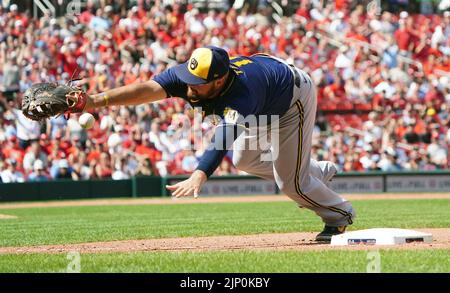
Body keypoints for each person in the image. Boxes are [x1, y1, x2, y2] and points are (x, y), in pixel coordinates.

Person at [81, 46, 355, 242]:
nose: (189, 88)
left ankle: (339, 214)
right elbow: (147, 89)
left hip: (291, 100)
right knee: (244, 160)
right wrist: (97, 100)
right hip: (265, 96)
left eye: (197, 84)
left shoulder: (241, 97)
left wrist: (200, 174)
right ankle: (315, 172)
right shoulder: (194, 75)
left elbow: (224, 137)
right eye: (188, 79)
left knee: (291, 184)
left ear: (220, 80)